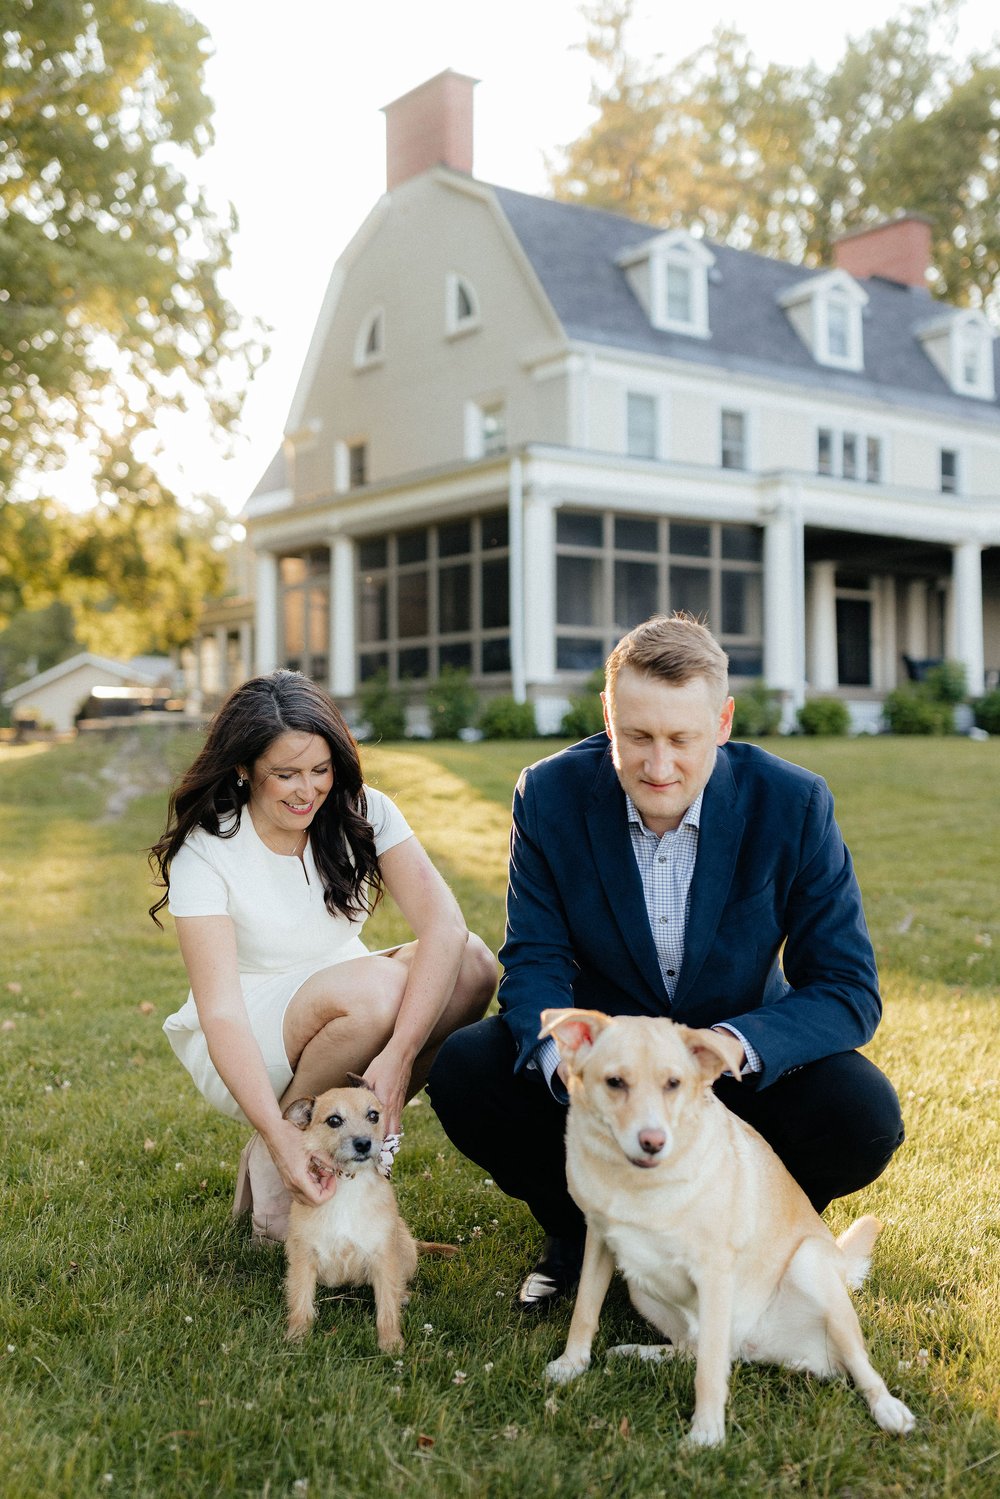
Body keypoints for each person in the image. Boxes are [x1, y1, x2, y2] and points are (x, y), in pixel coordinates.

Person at [427, 614, 905, 1311]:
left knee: (862, 1111)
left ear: (722, 721)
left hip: (726, 1077)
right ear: (608, 715)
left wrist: (733, 1046)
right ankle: (576, 1234)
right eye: (637, 736)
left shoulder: (795, 803)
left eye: (682, 739)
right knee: (468, 1068)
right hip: (609, 1073)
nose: (658, 767)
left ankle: (747, 1238)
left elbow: (847, 989)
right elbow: (533, 961)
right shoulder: (549, 794)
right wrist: (576, 1070)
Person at [150, 670, 496, 1244]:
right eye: (284, 775)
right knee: (378, 992)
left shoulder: (364, 811)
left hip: (349, 993)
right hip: (249, 1024)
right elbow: (222, 1013)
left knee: (473, 967)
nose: (307, 791)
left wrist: (401, 1055)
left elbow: (445, 926)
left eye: (320, 770)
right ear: (244, 769)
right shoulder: (208, 849)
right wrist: (272, 1128)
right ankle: (280, 1145)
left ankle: (327, 1138)